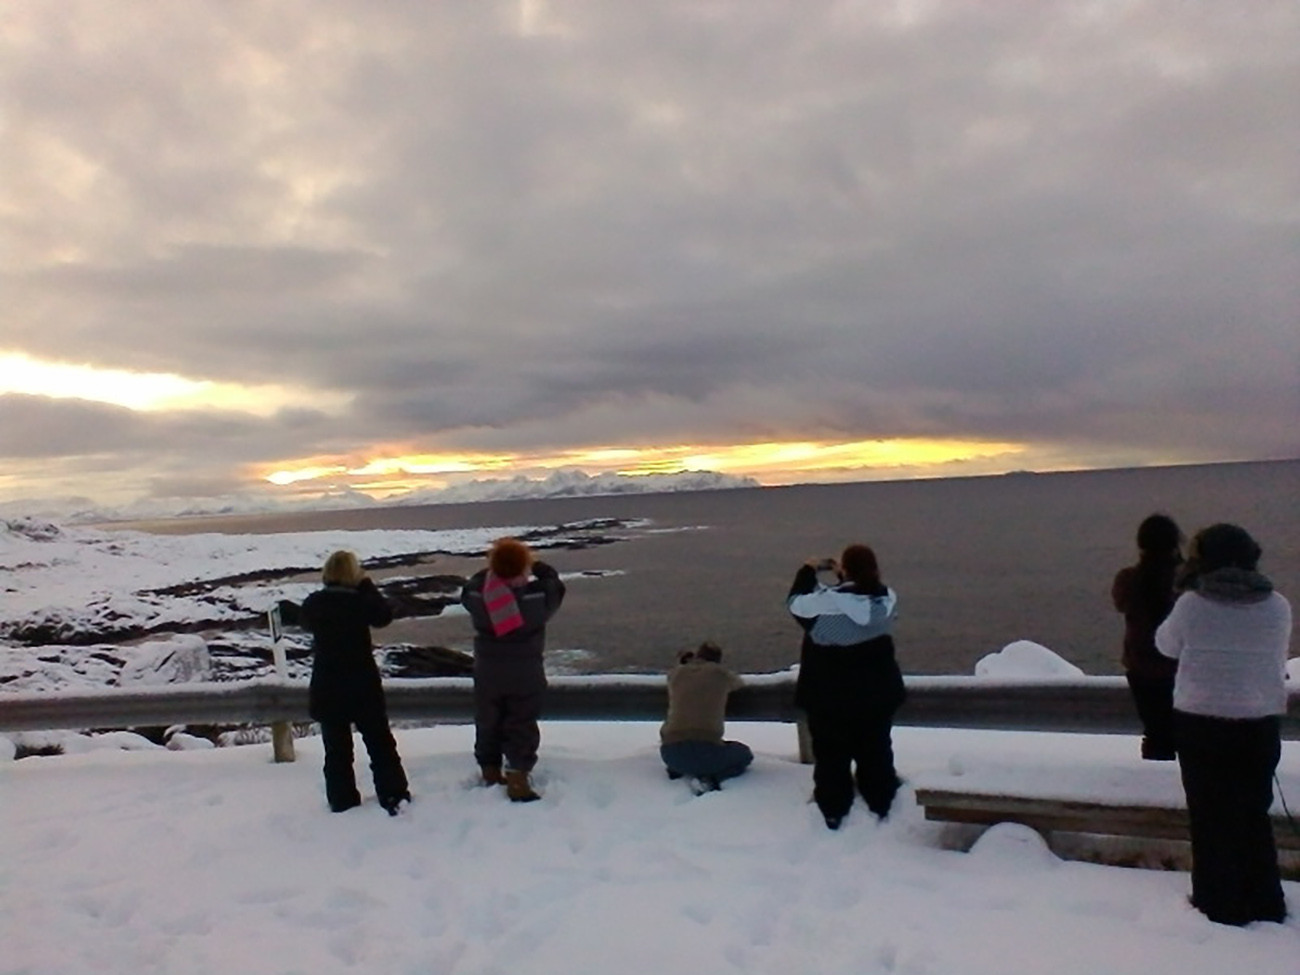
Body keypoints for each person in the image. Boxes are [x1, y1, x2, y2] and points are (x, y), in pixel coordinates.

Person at [1155, 523, 1292, 926]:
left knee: (1210, 815)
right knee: (1254, 812)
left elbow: (1165, 645)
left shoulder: (1191, 605)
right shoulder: (1277, 606)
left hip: (1201, 723)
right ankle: (1265, 899)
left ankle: (1219, 902)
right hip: (1259, 722)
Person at [788, 544, 905, 830]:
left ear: (845, 570)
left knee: (830, 756)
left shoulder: (823, 605)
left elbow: (795, 602)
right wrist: (846, 577)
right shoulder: (886, 601)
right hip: (877, 694)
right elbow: (860, 598)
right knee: (876, 749)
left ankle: (833, 808)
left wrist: (810, 569)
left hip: (830, 697)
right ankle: (881, 799)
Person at [300, 550, 410, 815]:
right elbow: (383, 615)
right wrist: (367, 585)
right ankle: (393, 794)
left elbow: (303, 620)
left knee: (336, 750)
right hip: (362, 684)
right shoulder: (361, 602)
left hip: (328, 685)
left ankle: (342, 801)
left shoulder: (315, 603)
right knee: (380, 743)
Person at [461, 538, 566, 802]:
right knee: (522, 721)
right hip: (525, 670)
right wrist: (536, 564)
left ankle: (489, 769)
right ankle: (518, 774)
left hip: (488, 670)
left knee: (488, 719)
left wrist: (493, 569)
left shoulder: (479, 595)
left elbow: (470, 586)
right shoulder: (537, 597)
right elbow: (556, 585)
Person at [1112, 513, 1183, 760]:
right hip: (1179, 669)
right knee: (1186, 734)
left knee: (1155, 731)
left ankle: (1155, 775)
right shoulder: (1185, 580)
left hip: (1141, 668)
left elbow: (1121, 604)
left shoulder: (1128, 579)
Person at [660, 641, 754, 792]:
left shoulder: (677, 673)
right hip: (706, 751)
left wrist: (686, 663)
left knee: (689, 744)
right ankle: (712, 779)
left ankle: (679, 769)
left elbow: (673, 675)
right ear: (718, 660)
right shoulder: (720, 674)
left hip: (670, 753)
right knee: (744, 754)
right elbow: (738, 683)